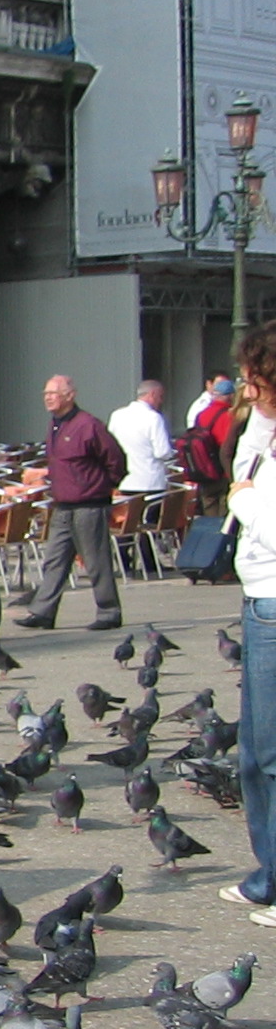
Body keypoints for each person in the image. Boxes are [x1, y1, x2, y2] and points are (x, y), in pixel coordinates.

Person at [223, 322, 276, 927]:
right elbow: (244, 463)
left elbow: (255, 503)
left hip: (273, 597)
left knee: (270, 754)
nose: (246, 390)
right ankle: (266, 875)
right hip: (257, 595)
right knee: (252, 755)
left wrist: (242, 500)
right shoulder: (264, 424)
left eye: (254, 382)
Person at [13, 374, 127, 631]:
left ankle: (109, 611)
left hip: (89, 503)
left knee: (95, 560)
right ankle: (43, 611)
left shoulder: (88, 425)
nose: (48, 398)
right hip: (62, 504)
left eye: (53, 392)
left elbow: (115, 458)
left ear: (69, 395)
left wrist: (103, 486)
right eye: (45, 393)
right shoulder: (55, 424)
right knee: (55, 559)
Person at [109, 379, 175, 496]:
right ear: (153, 394)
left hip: (124, 481)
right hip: (150, 482)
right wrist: (172, 454)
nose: (161, 401)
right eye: (160, 396)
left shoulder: (117, 415)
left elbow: (110, 447)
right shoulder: (154, 418)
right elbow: (162, 452)